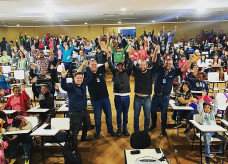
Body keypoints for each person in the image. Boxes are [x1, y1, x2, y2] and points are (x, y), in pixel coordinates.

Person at [150, 47, 192, 137]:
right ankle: (153, 124)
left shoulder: (173, 71)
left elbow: (184, 68)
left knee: (164, 114)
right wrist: (156, 52)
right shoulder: (160, 69)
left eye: (170, 63)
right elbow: (154, 61)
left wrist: (190, 61)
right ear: (164, 63)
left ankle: (163, 130)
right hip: (156, 96)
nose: (168, 65)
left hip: (165, 97)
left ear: (172, 64)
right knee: (152, 111)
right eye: (167, 63)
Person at [78, 59, 116, 139]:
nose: (94, 66)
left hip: (105, 98)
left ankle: (110, 130)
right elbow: (78, 73)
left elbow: (107, 63)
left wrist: (108, 52)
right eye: (92, 65)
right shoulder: (87, 73)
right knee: (97, 117)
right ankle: (98, 132)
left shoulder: (100, 69)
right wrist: (83, 65)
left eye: (95, 64)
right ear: (89, 66)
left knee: (109, 115)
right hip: (95, 100)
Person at [61, 61, 93, 146]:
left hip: (83, 110)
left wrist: (87, 67)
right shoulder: (71, 86)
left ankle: (83, 137)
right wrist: (63, 77)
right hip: (75, 112)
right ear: (74, 78)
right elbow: (64, 86)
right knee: (75, 130)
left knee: (87, 124)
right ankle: (74, 146)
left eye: (81, 78)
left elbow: (90, 77)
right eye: (78, 78)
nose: (79, 79)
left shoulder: (83, 84)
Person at [132, 45, 159, 132]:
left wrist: (156, 53)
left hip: (147, 98)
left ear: (147, 65)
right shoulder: (136, 71)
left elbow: (156, 63)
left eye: (144, 65)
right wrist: (130, 53)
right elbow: (129, 63)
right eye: (141, 65)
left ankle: (146, 131)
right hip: (137, 98)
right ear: (139, 65)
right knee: (136, 116)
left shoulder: (150, 72)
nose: (142, 66)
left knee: (147, 116)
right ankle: (136, 131)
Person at [107, 47, 132, 137]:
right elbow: (110, 64)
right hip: (117, 96)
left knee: (125, 113)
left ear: (123, 66)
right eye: (119, 65)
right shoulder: (115, 72)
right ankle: (118, 129)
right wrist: (109, 54)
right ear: (117, 66)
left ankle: (124, 128)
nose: (120, 67)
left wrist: (129, 55)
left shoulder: (127, 72)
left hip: (126, 96)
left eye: (122, 65)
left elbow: (131, 64)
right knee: (118, 114)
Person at [198, 91, 227, 163]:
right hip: (206, 132)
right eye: (206, 107)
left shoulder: (212, 114)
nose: (208, 109)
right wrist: (202, 97)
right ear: (203, 109)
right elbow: (200, 106)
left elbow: (216, 107)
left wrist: (214, 98)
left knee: (224, 139)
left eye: (209, 107)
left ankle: (219, 152)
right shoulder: (202, 114)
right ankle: (207, 156)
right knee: (207, 138)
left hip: (214, 131)